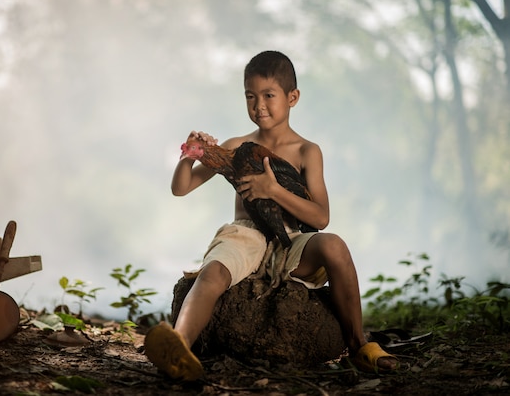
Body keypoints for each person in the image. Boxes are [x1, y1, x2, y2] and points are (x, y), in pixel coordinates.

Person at [144, 50, 398, 380]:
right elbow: (181, 187)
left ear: (292, 97)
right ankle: (179, 346)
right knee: (213, 272)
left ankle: (358, 345)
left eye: (268, 95)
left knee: (334, 246)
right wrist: (189, 155)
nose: (259, 105)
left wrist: (274, 190)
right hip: (245, 236)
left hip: (291, 242)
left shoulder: (307, 151)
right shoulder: (237, 145)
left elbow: (321, 218)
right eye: (251, 96)